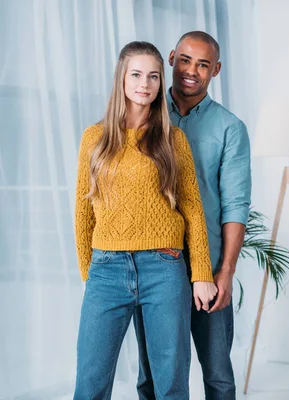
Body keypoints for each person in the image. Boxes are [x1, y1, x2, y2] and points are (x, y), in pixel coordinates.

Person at [73, 40, 217, 399]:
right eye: (136, 74)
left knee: (170, 383)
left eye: (153, 76)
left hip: (164, 267)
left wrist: (201, 274)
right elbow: (82, 209)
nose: (145, 83)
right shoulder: (94, 138)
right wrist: (88, 272)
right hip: (106, 269)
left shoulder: (173, 139)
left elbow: (193, 209)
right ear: (122, 78)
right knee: (90, 382)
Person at [134, 31, 251, 400]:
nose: (191, 71)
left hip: (208, 269)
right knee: (153, 375)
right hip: (151, 264)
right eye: (185, 59)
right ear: (171, 59)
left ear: (215, 70)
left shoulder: (229, 128)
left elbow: (235, 205)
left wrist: (226, 273)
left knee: (217, 375)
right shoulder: (140, 117)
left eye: (203, 64)